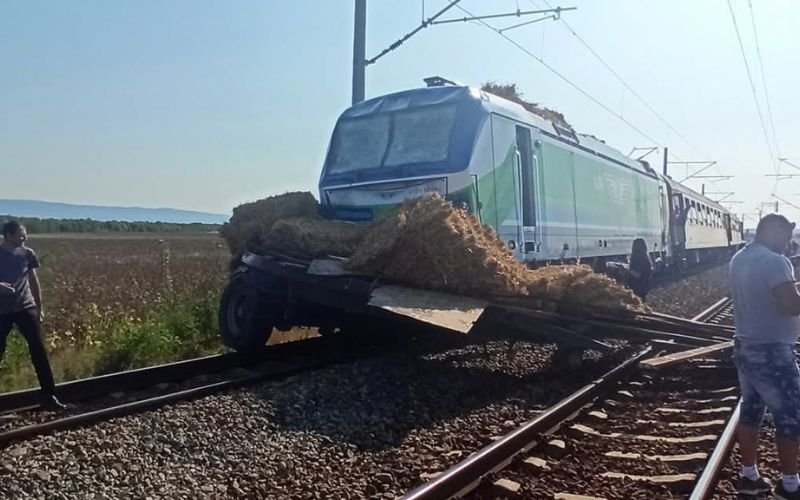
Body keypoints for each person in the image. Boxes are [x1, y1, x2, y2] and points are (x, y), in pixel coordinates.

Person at [730, 213, 800, 499]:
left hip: (746, 346)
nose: (788, 242)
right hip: (772, 351)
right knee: (791, 416)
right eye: (786, 235)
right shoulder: (774, 261)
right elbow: (790, 306)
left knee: (751, 410)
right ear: (773, 231)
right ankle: (790, 485)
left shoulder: (740, 258)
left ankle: (749, 476)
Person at [0, 221, 65, 410]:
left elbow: (33, 281)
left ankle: (49, 395)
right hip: (2, 311)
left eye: (25, 234)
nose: (24, 237)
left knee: (38, 350)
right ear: (8, 235)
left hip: (25, 307)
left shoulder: (28, 254)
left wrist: (39, 307)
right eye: (21, 234)